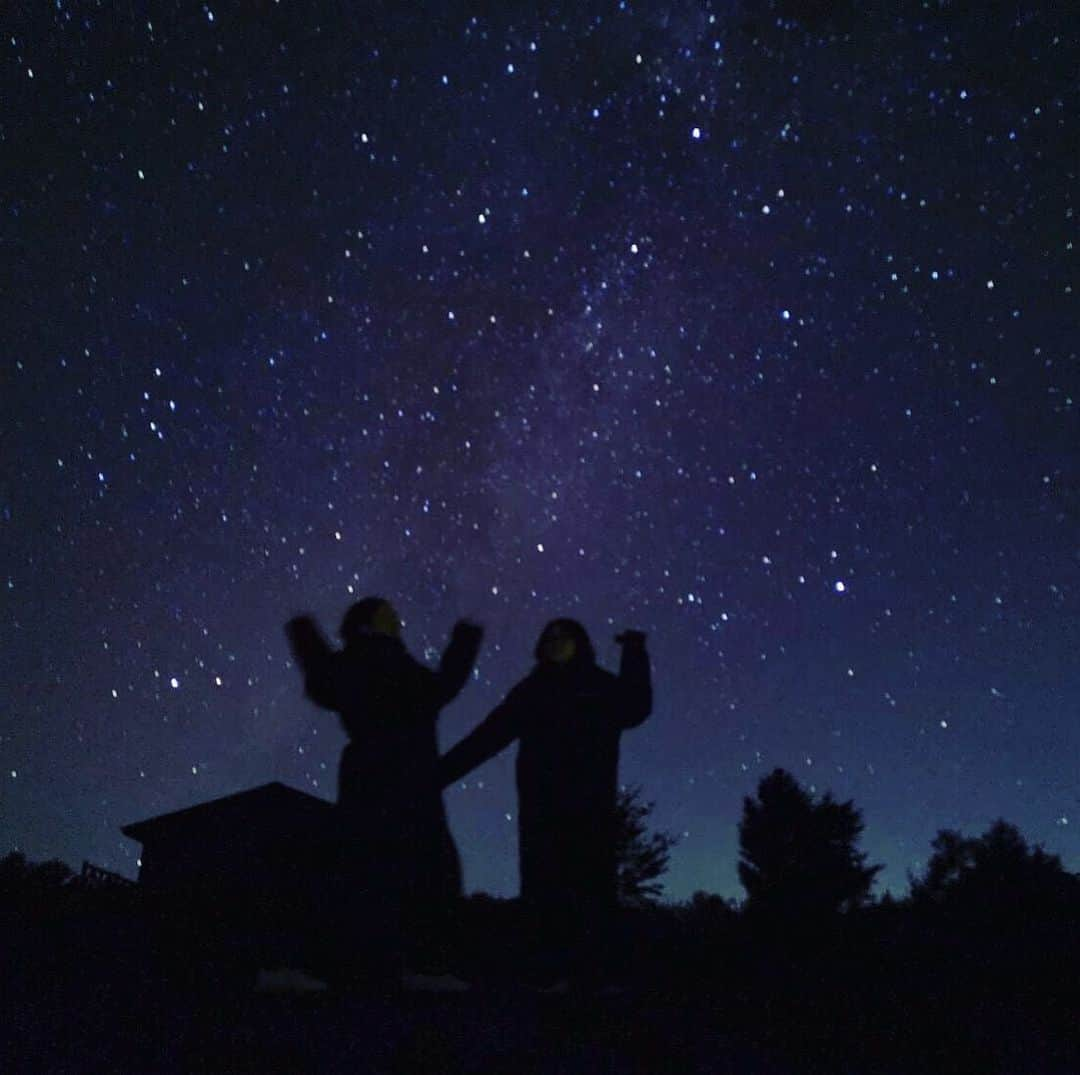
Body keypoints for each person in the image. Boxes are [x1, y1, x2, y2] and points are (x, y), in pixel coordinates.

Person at [438, 619, 651, 984]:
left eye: (562, 636)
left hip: (591, 810)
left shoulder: (599, 686)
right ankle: (549, 979)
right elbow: (489, 737)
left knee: (592, 892)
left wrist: (634, 652)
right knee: (543, 894)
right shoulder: (532, 691)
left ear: (580, 643)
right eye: (548, 637)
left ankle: (595, 980)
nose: (554, 642)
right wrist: (438, 775)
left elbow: (635, 707)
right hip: (542, 812)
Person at [285, 597, 482, 984]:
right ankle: (420, 963)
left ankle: (356, 962)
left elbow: (322, 679)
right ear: (369, 623)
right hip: (402, 776)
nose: (396, 617)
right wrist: (465, 639)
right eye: (386, 614)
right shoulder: (379, 664)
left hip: (376, 776)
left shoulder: (366, 663)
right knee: (419, 867)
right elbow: (444, 686)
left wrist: (304, 633)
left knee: (366, 867)